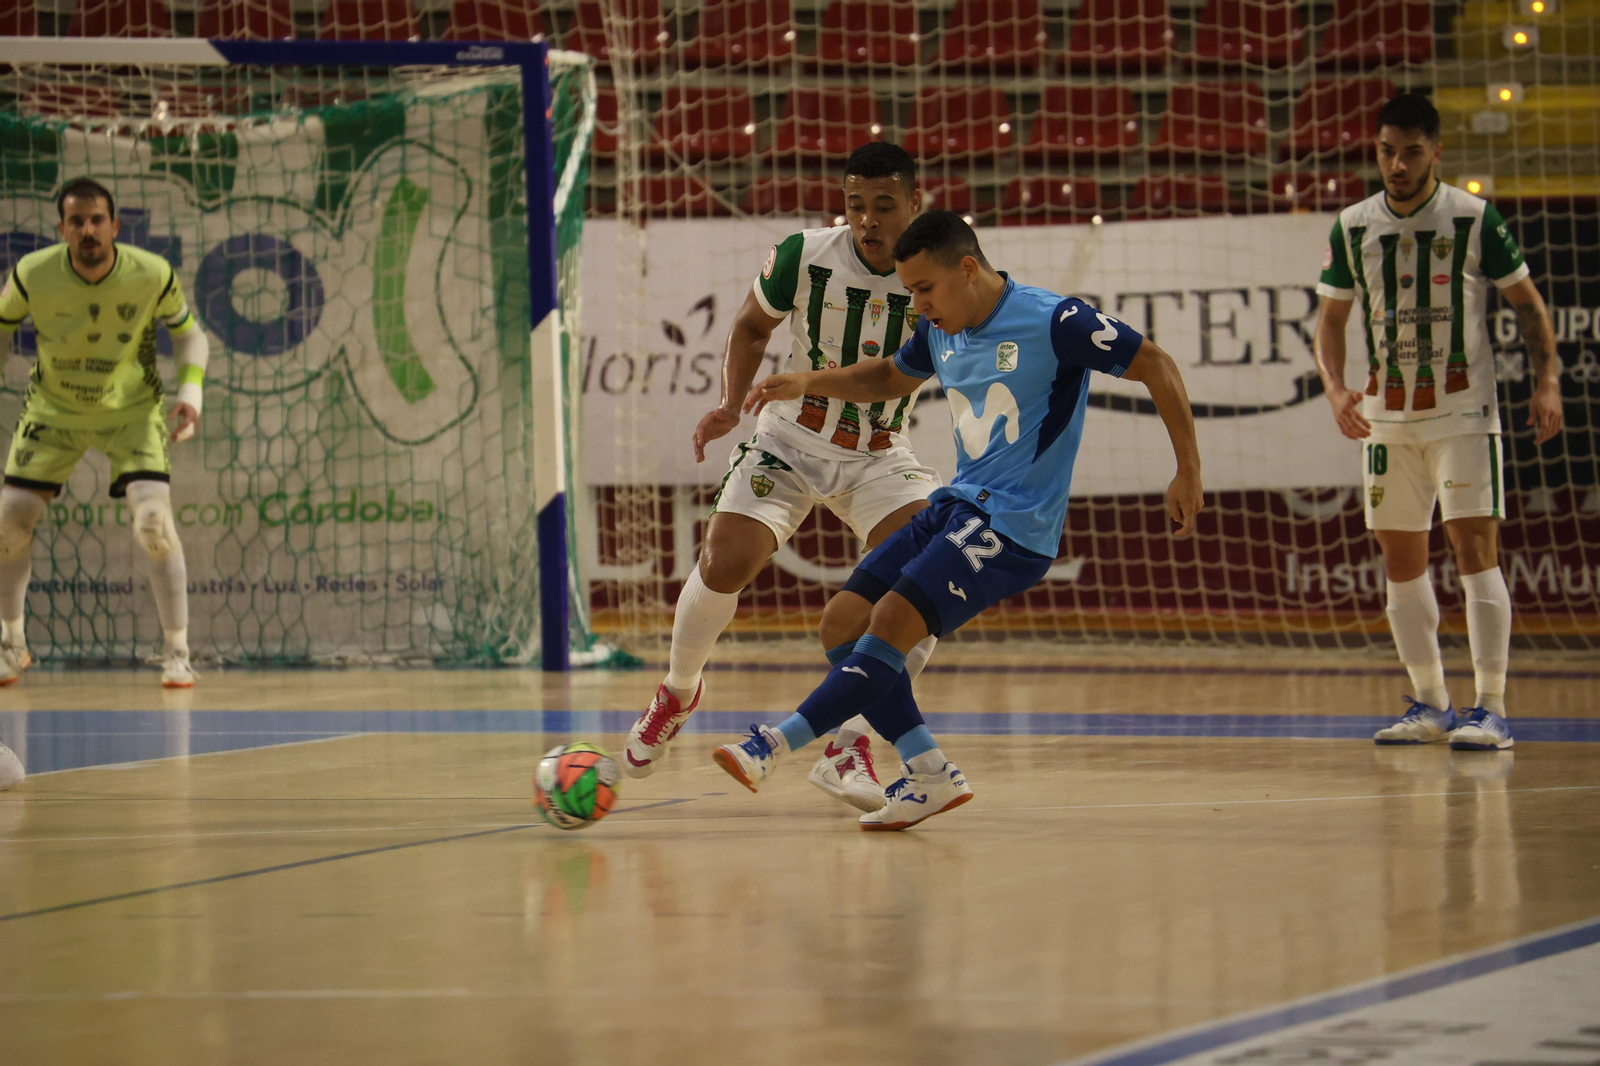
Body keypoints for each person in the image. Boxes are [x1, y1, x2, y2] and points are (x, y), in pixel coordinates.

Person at [712, 211, 1204, 830]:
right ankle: (929, 773)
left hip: (1015, 527)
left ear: (966, 269)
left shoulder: (1056, 320)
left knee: (891, 620)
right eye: (909, 291)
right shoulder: (941, 328)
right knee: (842, 625)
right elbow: (890, 374)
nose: (916, 305)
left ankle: (772, 746)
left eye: (923, 289)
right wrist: (808, 382)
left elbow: (1155, 364)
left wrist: (1188, 468)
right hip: (959, 505)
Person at [621, 143, 946, 813]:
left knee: (925, 586)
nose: (868, 220)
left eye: (885, 206)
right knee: (725, 559)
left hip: (881, 453)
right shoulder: (804, 255)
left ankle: (848, 744)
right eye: (856, 205)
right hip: (792, 441)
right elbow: (748, 327)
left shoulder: (937, 274)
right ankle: (679, 691)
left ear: (915, 205)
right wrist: (726, 402)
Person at [1313, 93, 1562, 751]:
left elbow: (1529, 307)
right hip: (1386, 419)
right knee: (1400, 558)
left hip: (1463, 413)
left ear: (1436, 152)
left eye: (1411, 151)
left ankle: (1493, 708)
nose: (1397, 164)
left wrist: (1548, 380)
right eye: (1387, 150)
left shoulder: (1474, 218)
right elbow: (1330, 322)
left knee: (1474, 550)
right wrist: (1336, 389)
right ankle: (1429, 702)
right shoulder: (1352, 225)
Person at [0, 178, 210, 688]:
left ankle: (177, 651)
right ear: (61, 229)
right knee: (8, 524)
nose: (88, 230)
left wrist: (191, 394)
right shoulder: (32, 273)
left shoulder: (152, 273)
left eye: (97, 220)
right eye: (76, 221)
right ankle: (11, 644)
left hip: (131, 411)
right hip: (54, 409)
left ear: (114, 226)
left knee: (155, 525)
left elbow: (190, 334)